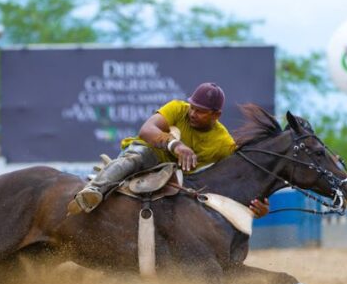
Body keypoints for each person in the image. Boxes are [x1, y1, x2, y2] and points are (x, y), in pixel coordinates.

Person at [71, 82, 270, 218]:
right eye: (192, 106)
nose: (192, 113)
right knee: (136, 157)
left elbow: (238, 175)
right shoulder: (177, 108)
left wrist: (259, 204)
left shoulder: (223, 143)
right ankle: (92, 191)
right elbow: (147, 129)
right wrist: (176, 145)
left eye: (200, 111)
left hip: (176, 178)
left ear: (216, 115)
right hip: (147, 153)